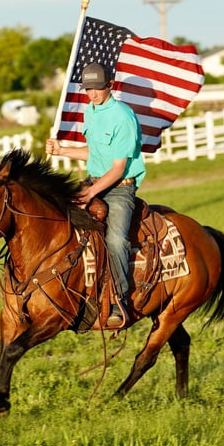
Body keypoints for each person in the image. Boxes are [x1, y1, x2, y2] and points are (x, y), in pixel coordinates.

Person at [46, 62, 146, 327]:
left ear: (109, 86)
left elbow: (118, 167)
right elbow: (95, 153)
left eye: (97, 88)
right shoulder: (89, 111)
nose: (92, 94)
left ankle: (118, 301)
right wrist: (63, 151)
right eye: (88, 89)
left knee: (115, 240)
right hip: (93, 181)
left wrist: (90, 192)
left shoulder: (123, 117)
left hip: (119, 187)